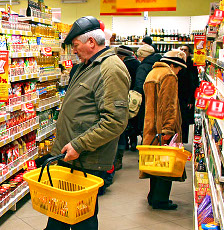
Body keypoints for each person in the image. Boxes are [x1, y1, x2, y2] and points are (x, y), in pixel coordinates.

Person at [46, 16, 130, 230]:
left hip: (87, 159)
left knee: (82, 216)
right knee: (63, 213)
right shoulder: (88, 65)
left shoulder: (110, 69)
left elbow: (114, 121)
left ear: (91, 42)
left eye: (75, 45)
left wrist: (79, 145)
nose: (74, 51)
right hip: (72, 156)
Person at [141, 49, 187, 210]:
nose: (180, 71)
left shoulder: (152, 73)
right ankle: (160, 200)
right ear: (173, 64)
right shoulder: (169, 76)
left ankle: (153, 196)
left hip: (150, 128)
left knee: (156, 164)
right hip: (163, 129)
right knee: (166, 165)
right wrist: (168, 130)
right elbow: (169, 106)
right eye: (179, 67)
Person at [114, 45, 140, 170]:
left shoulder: (122, 66)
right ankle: (132, 143)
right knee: (127, 125)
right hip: (129, 99)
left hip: (121, 99)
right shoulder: (137, 64)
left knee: (120, 130)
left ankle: (118, 157)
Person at [133, 44, 162, 139]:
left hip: (146, 100)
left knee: (146, 123)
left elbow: (139, 85)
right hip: (159, 98)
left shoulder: (143, 67)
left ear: (142, 56)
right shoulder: (160, 64)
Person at [178, 45, 199, 143]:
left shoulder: (192, 65)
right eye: (181, 49)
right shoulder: (177, 63)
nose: (183, 51)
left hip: (186, 97)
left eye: (185, 50)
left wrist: (191, 99)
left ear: (189, 52)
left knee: (184, 120)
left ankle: (182, 140)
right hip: (177, 95)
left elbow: (194, 83)